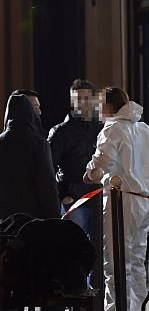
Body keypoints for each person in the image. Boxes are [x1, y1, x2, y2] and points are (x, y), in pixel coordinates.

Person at [84, 87, 149, 311]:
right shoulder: (143, 129)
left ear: (110, 106)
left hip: (121, 202)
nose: (99, 110)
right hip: (142, 201)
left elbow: (102, 162)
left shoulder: (113, 129)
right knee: (135, 260)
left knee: (115, 261)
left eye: (101, 105)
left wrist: (91, 174)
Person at [48, 80, 103, 235]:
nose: (81, 103)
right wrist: (63, 195)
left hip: (101, 200)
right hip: (73, 201)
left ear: (93, 100)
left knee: (101, 251)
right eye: (77, 99)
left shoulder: (103, 128)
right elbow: (48, 168)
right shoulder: (60, 132)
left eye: (85, 99)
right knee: (73, 249)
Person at [0, 92, 59, 221]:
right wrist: (54, 218)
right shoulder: (38, 143)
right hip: (32, 217)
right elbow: (47, 185)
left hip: (4, 218)